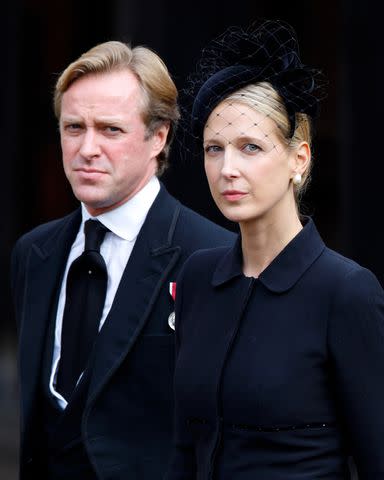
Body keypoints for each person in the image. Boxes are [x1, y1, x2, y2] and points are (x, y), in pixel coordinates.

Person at [165, 19, 384, 480]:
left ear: (298, 159)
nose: (228, 168)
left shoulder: (345, 292)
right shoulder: (197, 279)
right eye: (213, 148)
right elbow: (185, 447)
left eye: (250, 147)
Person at [10, 40, 235, 480]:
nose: (87, 148)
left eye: (110, 129)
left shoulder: (213, 257)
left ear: (158, 137)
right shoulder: (33, 253)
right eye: (74, 127)